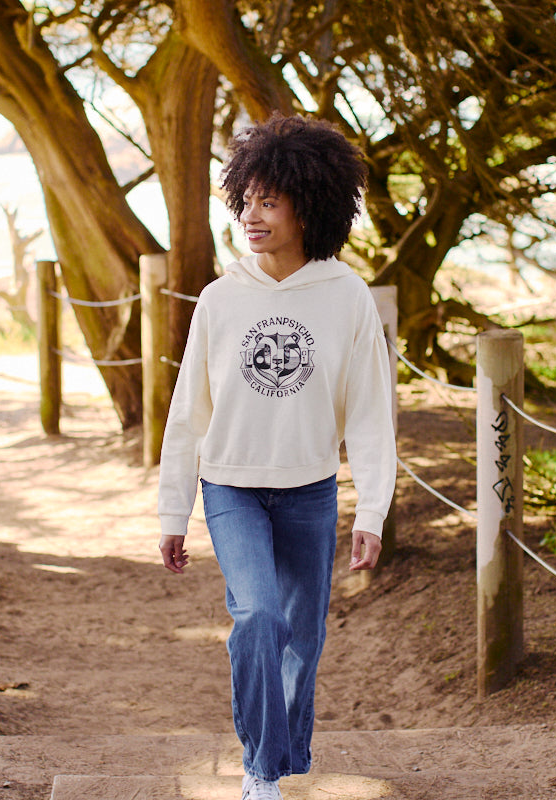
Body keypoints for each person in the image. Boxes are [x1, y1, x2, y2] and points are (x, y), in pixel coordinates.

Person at [157, 113, 396, 800]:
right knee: (258, 616)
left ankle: (282, 757)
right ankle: (262, 770)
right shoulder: (220, 298)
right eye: (247, 200)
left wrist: (372, 511)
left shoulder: (346, 296)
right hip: (230, 487)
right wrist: (174, 510)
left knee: (302, 639)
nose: (253, 216)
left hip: (310, 491)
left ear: (308, 205)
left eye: (271, 201)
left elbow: (372, 415)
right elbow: (187, 415)